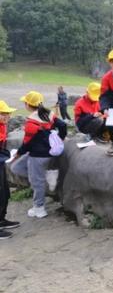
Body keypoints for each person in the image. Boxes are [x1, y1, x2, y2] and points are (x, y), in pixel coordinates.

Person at [9, 91, 67, 219]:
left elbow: (26, 144)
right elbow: (63, 125)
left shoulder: (31, 122)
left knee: (37, 183)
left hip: (38, 156)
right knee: (17, 168)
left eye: (25, 102)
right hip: (49, 153)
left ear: (28, 105)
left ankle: (39, 208)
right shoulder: (48, 114)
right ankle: (44, 176)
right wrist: (60, 138)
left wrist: (18, 153)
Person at [0, 101, 20, 239]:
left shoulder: (3, 126)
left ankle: (1, 220)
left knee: (4, 192)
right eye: (4, 113)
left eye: (8, 113)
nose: (8, 116)